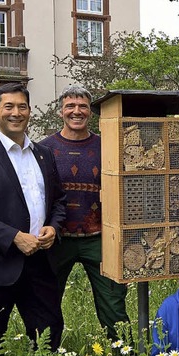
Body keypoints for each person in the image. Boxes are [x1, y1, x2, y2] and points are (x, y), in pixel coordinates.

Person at [0, 82, 66, 356]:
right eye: (9, 107)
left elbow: (58, 200)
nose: (16, 113)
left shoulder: (44, 154)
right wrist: (12, 236)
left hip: (41, 261)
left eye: (22, 107)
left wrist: (53, 226)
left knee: (49, 333)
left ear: (29, 112)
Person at [40, 84, 129, 339]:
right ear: (61, 112)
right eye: (70, 106)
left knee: (113, 303)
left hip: (100, 238)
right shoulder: (44, 150)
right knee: (46, 301)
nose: (76, 111)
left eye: (82, 106)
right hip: (57, 240)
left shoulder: (108, 147)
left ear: (90, 112)